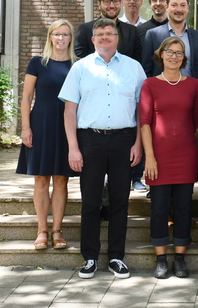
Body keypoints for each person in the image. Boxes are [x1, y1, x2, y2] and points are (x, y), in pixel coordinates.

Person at [60, 18, 147, 280]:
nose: (105, 37)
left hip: (124, 140)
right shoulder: (80, 68)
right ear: (93, 39)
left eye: (110, 33)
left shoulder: (134, 68)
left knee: (121, 201)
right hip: (90, 141)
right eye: (100, 34)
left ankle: (116, 257)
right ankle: (89, 258)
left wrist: (138, 144)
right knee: (91, 201)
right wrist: (73, 149)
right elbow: (69, 111)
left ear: (117, 38)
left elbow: (142, 112)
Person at [139, 37, 198, 279]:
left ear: (184, 58)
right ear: (161, 54)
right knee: (158, 209)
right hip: (158, 157)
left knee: (183, 207)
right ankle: (160, 259)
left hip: (187, 155)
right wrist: (150, 157)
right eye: (170, 51)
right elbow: (144, 123)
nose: (174, 56)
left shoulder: (194, 85)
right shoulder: (150, 84)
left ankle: (179, 258)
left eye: (179, 53)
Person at [17, 19, 78, 250]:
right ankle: (42, 230)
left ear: (70, 38)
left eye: (65, 34)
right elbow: (26, 97)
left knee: (61, 180)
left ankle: (57, 231)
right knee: (41, 179)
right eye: (56, 34)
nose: (61, 38)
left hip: (66, 126)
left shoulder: (77, 64)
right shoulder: (37, 63)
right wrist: (25, 127)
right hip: (41, 124)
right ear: (50, 37)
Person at [142, 0, 198, 78]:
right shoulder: (153, 35)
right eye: (174, 5)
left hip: (191, 90)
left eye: (183, 5)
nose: (179, 9)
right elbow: (146, 70)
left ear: (187, 8)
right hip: (162, 90)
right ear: (167, 7)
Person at [74, 0, 142, 62]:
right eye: (106, 2)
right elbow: (79, 61)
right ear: (99, 4)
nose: (112, 6)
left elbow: (137, 62)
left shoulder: (132, 31)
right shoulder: (85, 30)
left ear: (121, 3)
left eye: (116, 1)